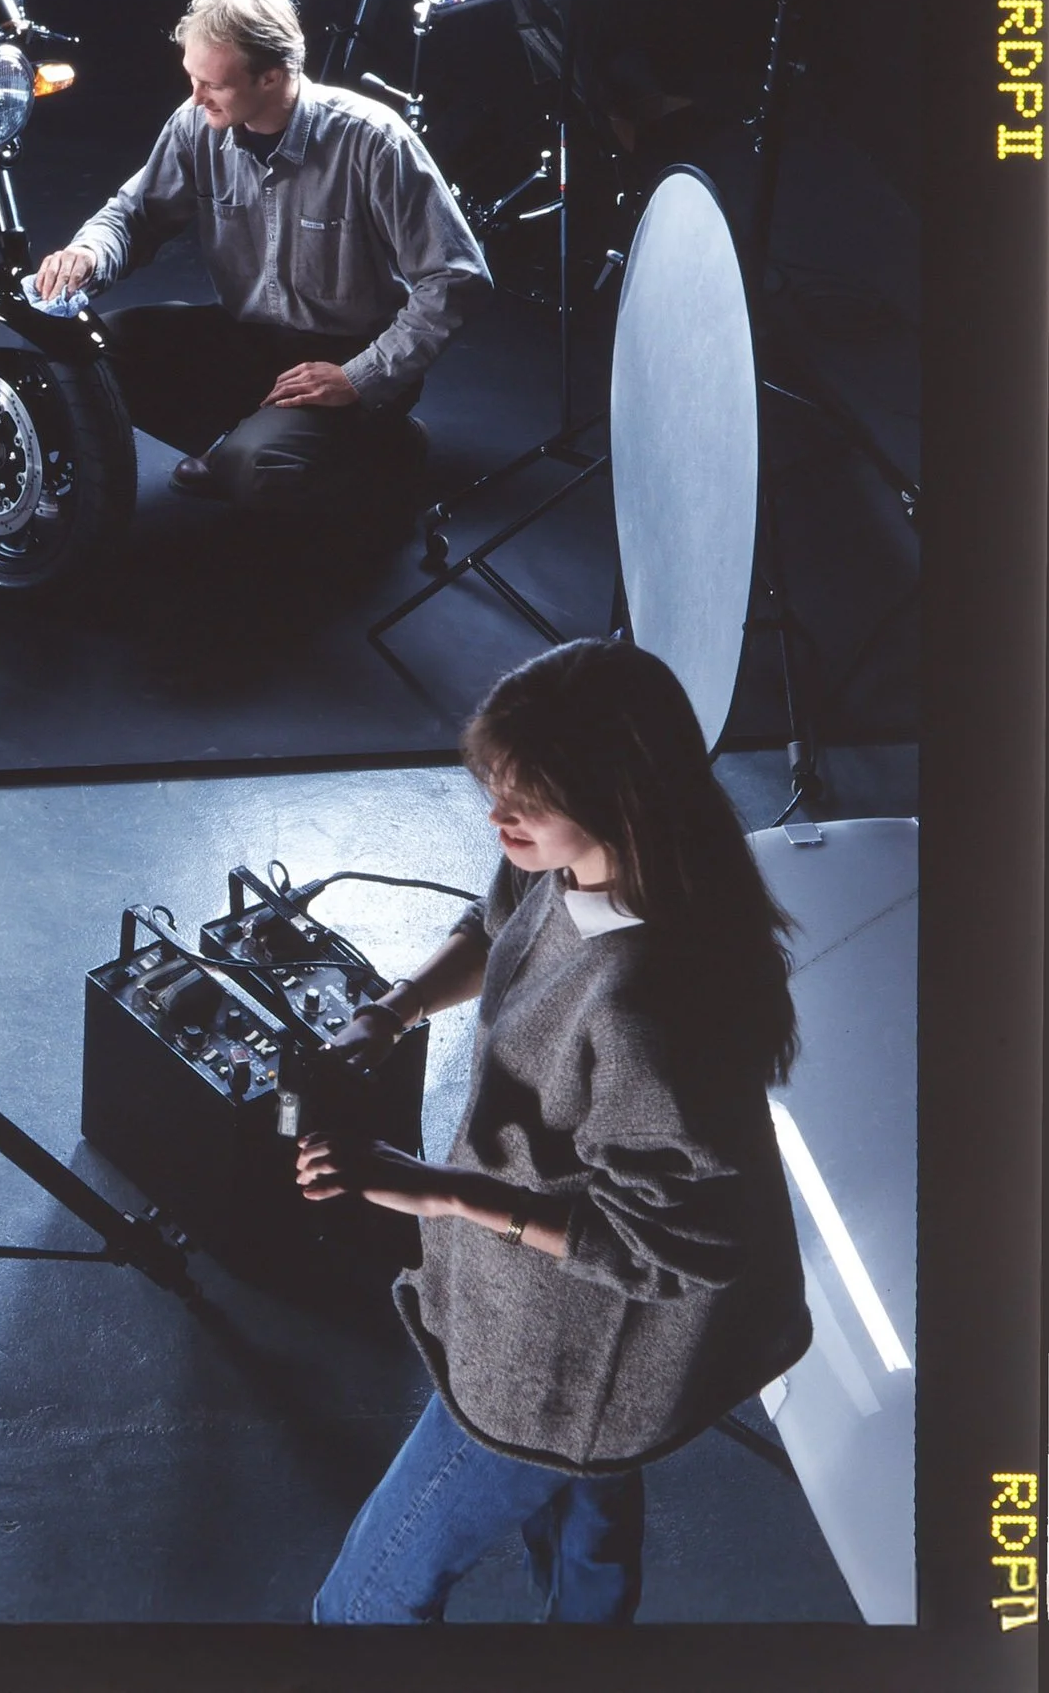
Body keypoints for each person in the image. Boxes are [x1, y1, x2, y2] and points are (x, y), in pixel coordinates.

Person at [295, 637, 811, 1624]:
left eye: (523, 801)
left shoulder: (643, 1012)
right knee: (590, 1538)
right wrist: (392, 1011)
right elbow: (499, 920)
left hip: (558, 1367)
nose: (497, 818)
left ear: (618, 797)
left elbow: (676, 1241)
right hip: (595, 1366)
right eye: (494, 787)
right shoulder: (598, 863)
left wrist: (439, 1189)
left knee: (360, 1607)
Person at [32, 0, 488, 514]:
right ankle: (240, 442)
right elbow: (134, 215)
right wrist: (88, 254)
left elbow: (456, 276)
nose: (194, 97)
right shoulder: (196, 124)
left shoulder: (374, 141)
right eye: (191, 78)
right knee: (95, 351)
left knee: (262, 475)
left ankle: (378, 441)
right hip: (249, 340)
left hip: (348, 353)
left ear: (272, 77)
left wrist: (361, 378)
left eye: (213, 85)